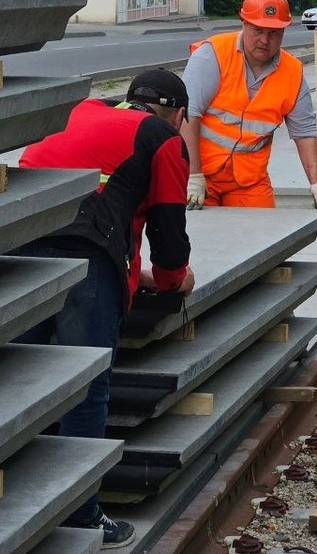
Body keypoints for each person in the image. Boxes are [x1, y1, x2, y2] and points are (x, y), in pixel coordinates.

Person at [14, 68, 195, 548]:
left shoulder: (80, 112)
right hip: (84, 254)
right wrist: (175, 280)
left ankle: (10, 502)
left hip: (16, 244)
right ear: (178, 115)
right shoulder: (163, 138)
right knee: (85, 384)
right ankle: (81, 515)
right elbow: (167, 229)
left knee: (21, 380)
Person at [181, 0, 317, 209]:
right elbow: (188, 114)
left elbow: (304, 132)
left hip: (249, 182)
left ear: (284, 31)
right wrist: (192, 175)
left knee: (265, 239)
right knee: (198, 239)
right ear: (244, 24)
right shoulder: (213, 55)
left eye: (273, 33)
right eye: (258, 30)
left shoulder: (292, 73)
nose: (265, 40)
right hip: (202, 175)